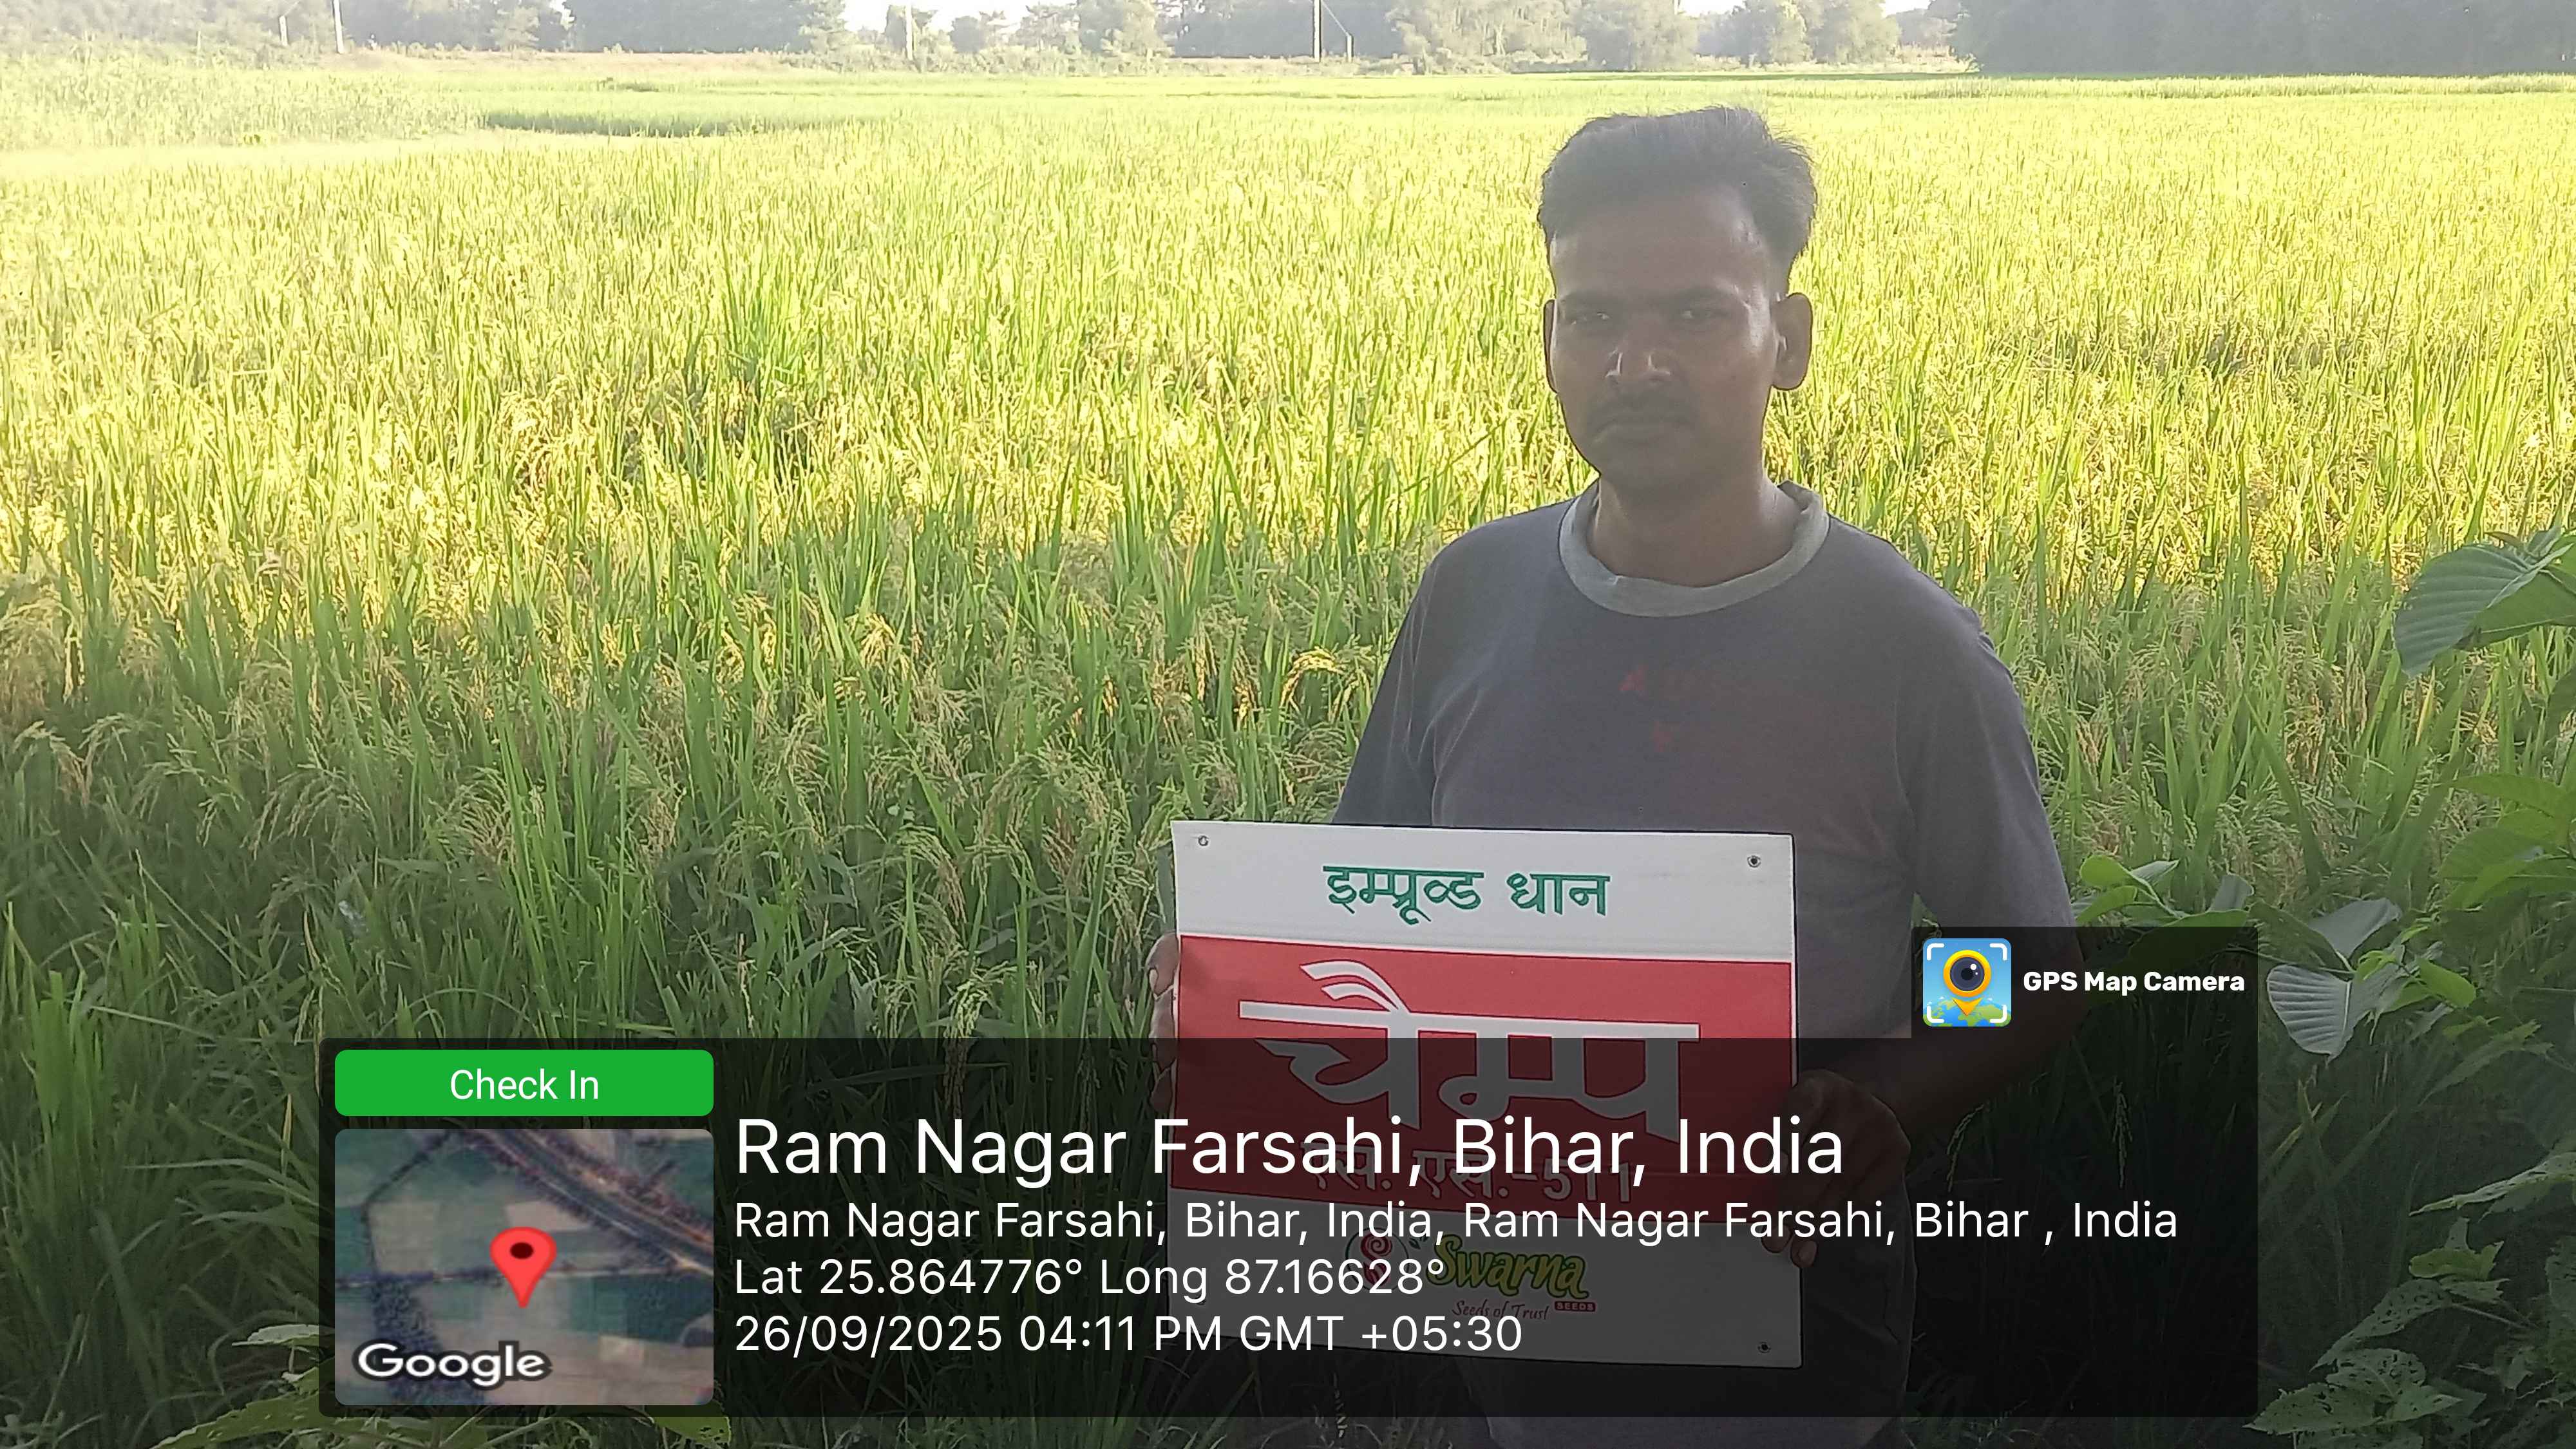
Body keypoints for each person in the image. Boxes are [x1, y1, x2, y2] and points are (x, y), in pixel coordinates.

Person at [1150, 106, 2083, 1448]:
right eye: (1592, 318)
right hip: (1509, 1314)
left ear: (1789, 342)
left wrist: (1882, 1095)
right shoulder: (1470, 596)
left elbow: (2027, 970)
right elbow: (1372, 901)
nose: (1635, 363)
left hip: (1787, 1351)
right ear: (1548, 340)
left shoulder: (1903, 647)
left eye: (1695, 315)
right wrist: (1234, 1000)